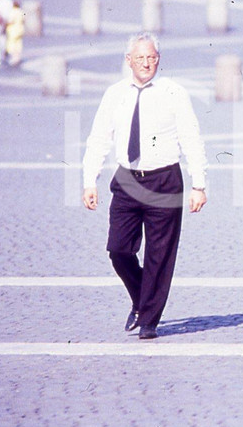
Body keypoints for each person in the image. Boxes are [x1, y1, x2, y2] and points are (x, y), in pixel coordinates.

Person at [82, 33, 208, 340]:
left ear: (159, 59)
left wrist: (199, 184)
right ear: (128, 61)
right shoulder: (114, 94)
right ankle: (141, 298)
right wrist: (90, 180)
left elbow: (191, 136)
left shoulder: (173, 92)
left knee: (159, 254)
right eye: (140, 58)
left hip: (164, 179)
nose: (146, 63)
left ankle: (150, 319)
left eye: (151, 57)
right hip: (126, 179)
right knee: (118, 249)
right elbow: (99, 137)